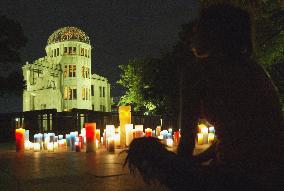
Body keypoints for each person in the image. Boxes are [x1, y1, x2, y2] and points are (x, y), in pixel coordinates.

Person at [125, 4, 284, 190]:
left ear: (214, 34)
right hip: (276, 173)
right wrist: (202, 159)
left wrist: (183, 168)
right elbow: (244, 131)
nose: (192, 37)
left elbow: (187, 142)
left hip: (237, 178)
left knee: (141, 147)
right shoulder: (255, 70)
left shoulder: (198, 71)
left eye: (198, 29)